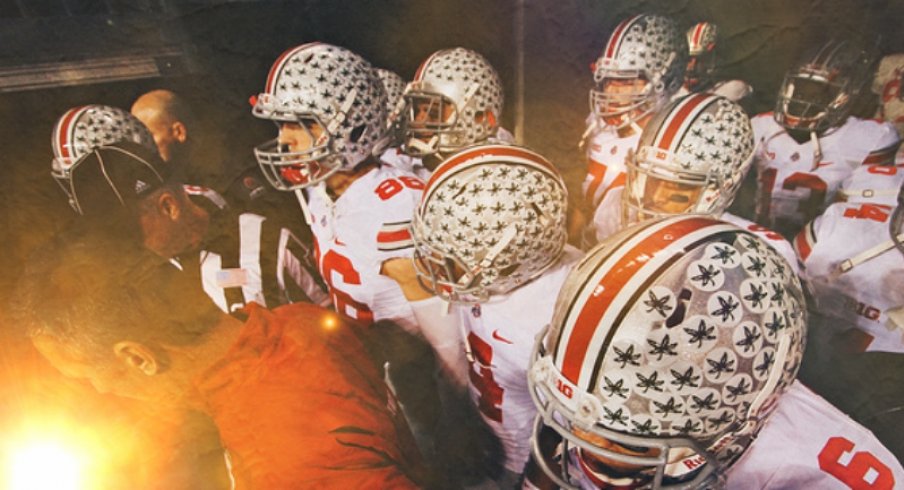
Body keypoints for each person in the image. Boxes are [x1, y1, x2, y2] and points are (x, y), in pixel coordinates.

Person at [17, 228, 428, 488]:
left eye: (87, 375)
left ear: (137, 357)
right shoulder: (298, 322)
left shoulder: (286, 455)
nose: (100, 389)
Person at [525, 215, 904, 489]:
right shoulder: (594, 421)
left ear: (742, 416)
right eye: (573, 418)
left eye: (619, 438)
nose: (580, 438)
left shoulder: (810, 470)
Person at [388, 143, 578, 486]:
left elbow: (575, 435)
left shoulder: (559, 317)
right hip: (486, 434)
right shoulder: (502, 279)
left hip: (526, 464)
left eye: (447, 256)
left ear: (510, 258)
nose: (430, 266)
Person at [67, 141, 327, 313]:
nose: (121, 252)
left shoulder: (268, 242)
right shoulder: (138, 283)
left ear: (169, 207)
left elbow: (339, 338)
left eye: (127, 236)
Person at [752, 39, 900, 239]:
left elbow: (867, 213)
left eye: (820, 93)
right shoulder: (762, 125)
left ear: (845, 96)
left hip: (820, 243)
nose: (804, 100)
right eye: (801, 89)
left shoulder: (870, 137)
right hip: (757, 235)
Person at [578, 13, 687, 248]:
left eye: (626, 81)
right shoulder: (597, 122)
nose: (612, 93)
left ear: (665, 81)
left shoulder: (679, 140)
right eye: (608, 80)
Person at [399, 47, 514, 171]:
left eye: (433, 113)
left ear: (474, 116)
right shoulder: (412, 165)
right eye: (416, 110)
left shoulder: (497, 172)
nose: (417, 123)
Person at [674, 22, 752, 102]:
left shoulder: (733, 88)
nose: (691, 66)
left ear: (716, 58)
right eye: (688, 59)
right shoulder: (673, 95)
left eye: (701, 59)